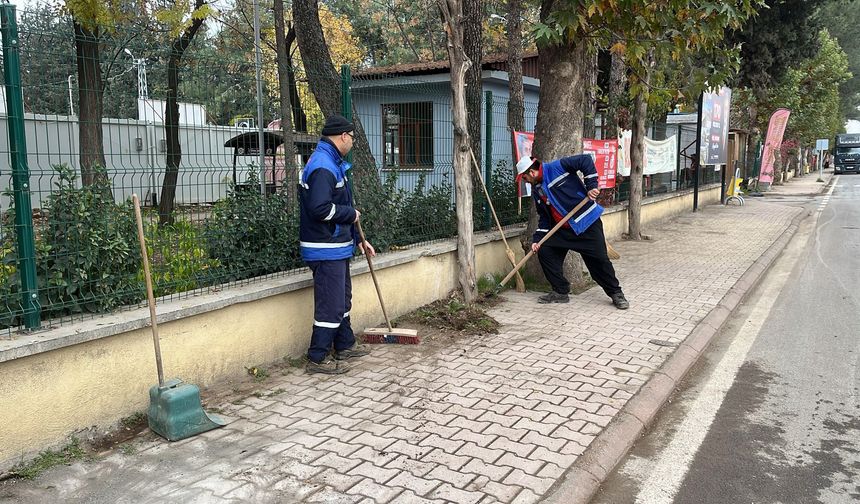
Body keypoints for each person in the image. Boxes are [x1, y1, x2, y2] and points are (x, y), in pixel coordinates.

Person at [300, 115, 375, 374]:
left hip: (337, 245)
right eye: (352, 138)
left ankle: (344, 344)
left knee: (341, 300)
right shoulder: (323, 165)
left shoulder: (331, 161)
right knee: (330, 305)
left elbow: (341, 206)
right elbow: (320, 208)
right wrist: (350, 215)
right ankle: (317, 358)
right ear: (343, 136)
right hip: (324, 247)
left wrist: (359, 241)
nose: (353, 143)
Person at [515, 154, 629, 310]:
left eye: (524, 178)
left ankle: (616, 293)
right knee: (545, 250)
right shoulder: (537, 190)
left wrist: (591, 186)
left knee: (599, 262)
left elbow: (586, 160)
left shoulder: (557, 167)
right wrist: (538, 239)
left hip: (586, 223)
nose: (524, 181)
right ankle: (560, 291)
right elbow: (544, 218)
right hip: (562, 229)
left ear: (532, 172)